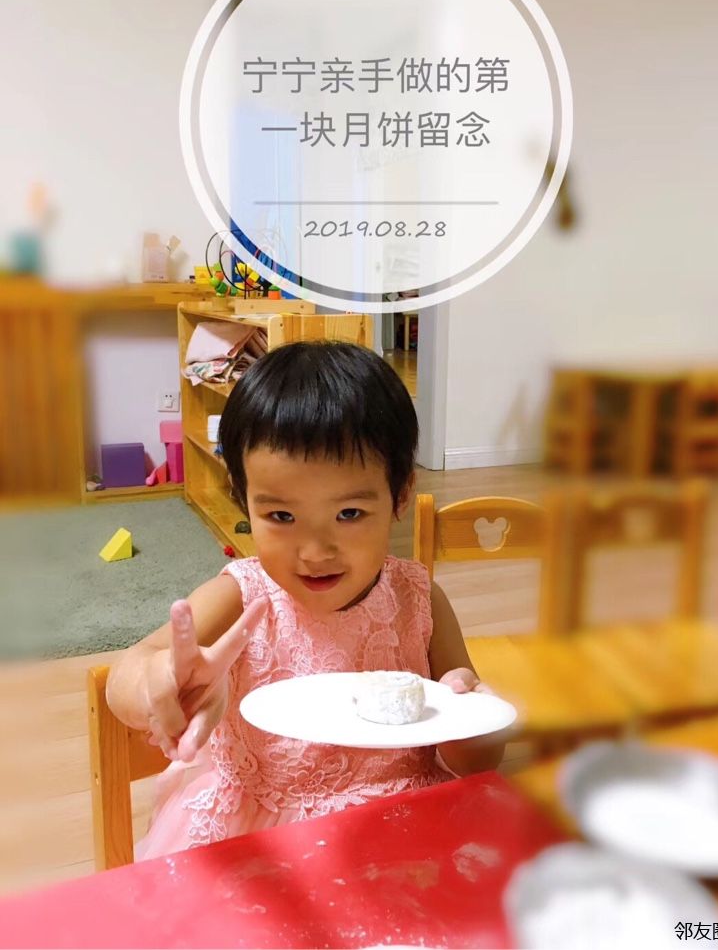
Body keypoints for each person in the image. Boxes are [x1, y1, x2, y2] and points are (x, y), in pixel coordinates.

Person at [107, 341, 503, 859]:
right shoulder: (240, 598)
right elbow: (127, 670)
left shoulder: (418, 599)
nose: (315, 552)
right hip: (261, 841)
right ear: (242, 497)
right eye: (282, 517)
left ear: (401, 495)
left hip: (401, 836)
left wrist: (466, 715)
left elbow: (480, 760)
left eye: (349, 514)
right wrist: (156, 682)